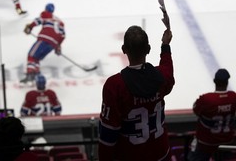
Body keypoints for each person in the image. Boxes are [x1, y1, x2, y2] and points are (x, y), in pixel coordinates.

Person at [98, 25, 175, 161]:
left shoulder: (114, 85)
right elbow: (167, 68)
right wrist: (165, 45)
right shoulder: (161, 76)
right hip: (161, 155)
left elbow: (108, 133)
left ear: (123, 50)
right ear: (148, 49)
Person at [187, 69, 236, 161]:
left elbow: (196, 110)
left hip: (205, 143)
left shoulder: (206, 99)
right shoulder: (233, 97)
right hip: (226, 142)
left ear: (214, 81)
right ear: (227, 82)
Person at [20, 3, 65, 83]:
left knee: (31, 56)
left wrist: (29, 27)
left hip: (44, 39)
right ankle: (36, 74)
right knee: (37, 58)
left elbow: (37, 21)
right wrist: (58, 46)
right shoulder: (60, 22)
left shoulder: (45, 14)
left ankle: (30, 75)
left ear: (46, 9)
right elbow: (62, 35)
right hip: (53, 44)